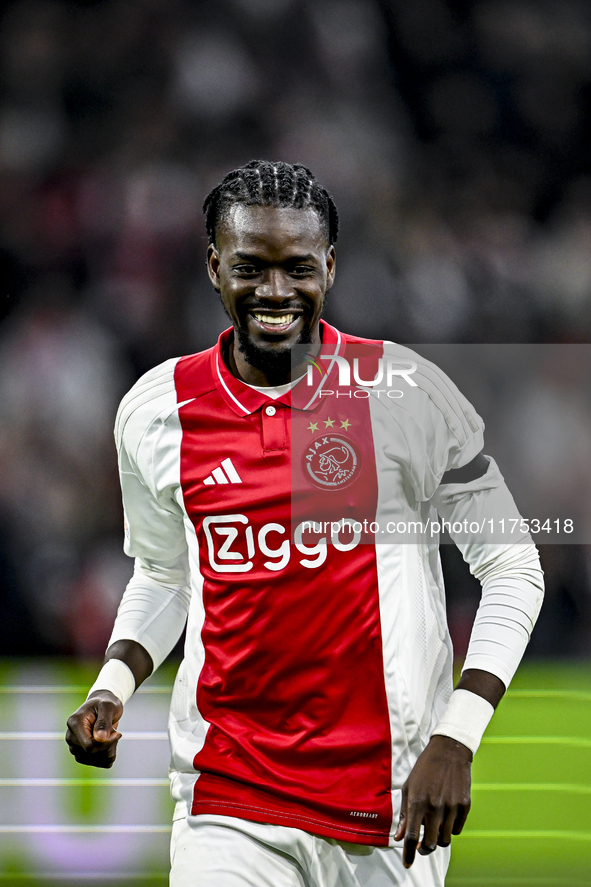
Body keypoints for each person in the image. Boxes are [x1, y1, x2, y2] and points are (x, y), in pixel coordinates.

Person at [66, 160, 544, 887]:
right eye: (250, 267)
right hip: (227, 794)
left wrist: (458, 735)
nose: (275, 291)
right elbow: (165, 573)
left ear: (329, 264)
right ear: (212, 265)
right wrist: (113, 682)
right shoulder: (155, 409)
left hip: (388, 800)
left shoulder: (407, 394)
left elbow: (511, 566)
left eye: (297, 268)